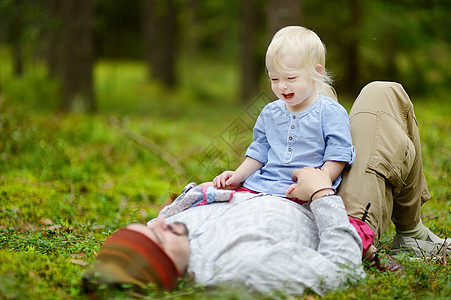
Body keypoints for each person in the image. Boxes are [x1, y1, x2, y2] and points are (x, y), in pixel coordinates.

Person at [84, 81, 449, 297]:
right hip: (333, 209)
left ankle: (411, 232)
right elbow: (341, 271)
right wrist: (321, 192)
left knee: (312, 91)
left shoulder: (172, 232)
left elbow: (172, 217)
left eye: (150, 226)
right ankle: (410, 232)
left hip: (270, 187)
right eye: (158, 237)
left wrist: (219, 187)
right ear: (166, 267)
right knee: (382, 94)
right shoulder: (246, 270)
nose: (159, 223)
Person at [213, 26, 354, 196]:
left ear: (316, 72)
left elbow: (338, 154)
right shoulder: (270, 112)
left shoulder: (330, 112)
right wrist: (238, 175)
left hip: (305, 191)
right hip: (264, 185)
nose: (282, 86)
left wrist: (319, 181)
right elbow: (259, 151)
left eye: (291, 78)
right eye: (274, 78)